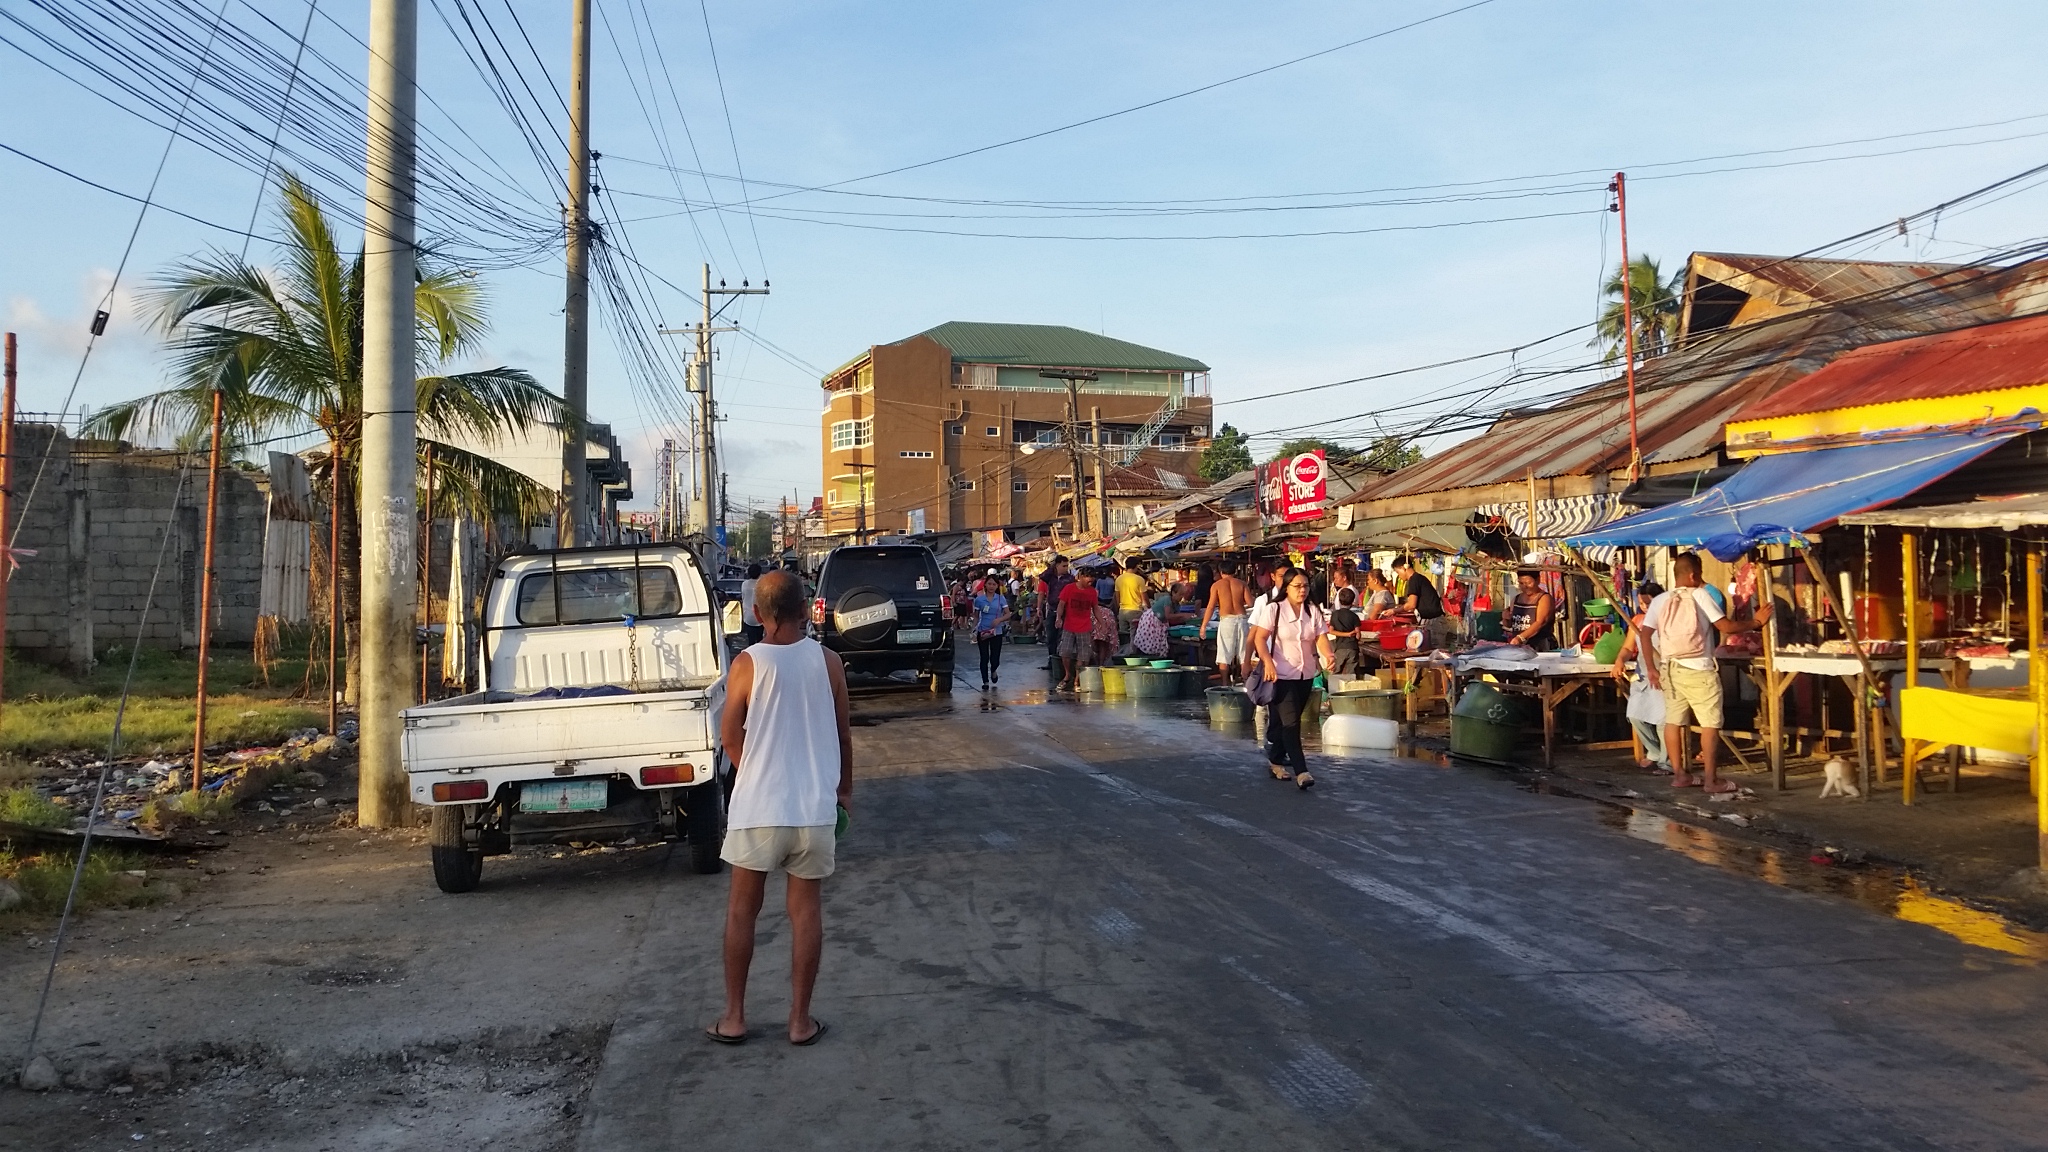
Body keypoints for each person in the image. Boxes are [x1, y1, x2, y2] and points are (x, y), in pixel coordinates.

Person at [709, 570, 853, 1048]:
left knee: (741, 913)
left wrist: (752, 771)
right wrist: (844, 792)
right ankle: (799, 1022)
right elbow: (843, 735)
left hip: (759, 810)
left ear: (758, 614)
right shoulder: (829, 662)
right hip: (814, 808)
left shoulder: (747, 664)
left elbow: (730, 734)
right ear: (805, 610)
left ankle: (733, 1018)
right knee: (805, 912)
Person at [1641, 553, 1770, 795]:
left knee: (1674, 721)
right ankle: (1712, 780)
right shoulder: (1700, 595)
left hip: (1670, 668)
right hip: (1699, 668)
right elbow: (1726, 627)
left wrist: (1651, 667)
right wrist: (1756, 622)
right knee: (1710, 723)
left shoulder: (1660, 600)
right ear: (1692, 575)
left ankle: (1679, 775)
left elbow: (1645, 634)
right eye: (1699, 575)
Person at [1249, 566, 1335, 790]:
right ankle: (1302, 771)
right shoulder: (1274, 609)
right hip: (1279, 674)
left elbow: (1320, 637)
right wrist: (1267, 661)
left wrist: (1329, 654)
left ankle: (1275, 760)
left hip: (1305, 674)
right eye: (1297, 586)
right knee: (1292, 723)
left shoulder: (1312, 611)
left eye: (1306, 586)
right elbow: (1260, 639)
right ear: (1286, 588)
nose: (1302, 590)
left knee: (1282, 721)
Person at [1609, 581, 1669, 773]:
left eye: (1648, 604)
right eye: (1641, 604)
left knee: (1663, 720)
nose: (1644, 608)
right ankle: (1654, 751)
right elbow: (1628, 647)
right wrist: (1619, 661)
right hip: (1643, 674)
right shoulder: (1637, 621)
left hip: (1664, 674)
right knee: (1635, 716)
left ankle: (1666, 761)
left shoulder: (1668, 620)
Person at [1202, 561, 1253, 684]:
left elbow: (1210, 607)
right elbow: (1251, 603)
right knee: (1244, 654)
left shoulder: (1217, 585)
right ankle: (1247, 683)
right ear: (1235, 571)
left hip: (1227, 621)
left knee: (1224, 655)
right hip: (1242, 619)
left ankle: (1225, 684)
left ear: (1221, 572)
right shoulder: (1242, 584)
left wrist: (1203, 626)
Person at [1055, 567, 1098, 691]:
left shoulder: (1092, 592)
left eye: (1092, 580)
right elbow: (1061, 604)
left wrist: (1102, 624)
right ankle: (1067, 675)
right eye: (1088, 579)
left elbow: (1095, 608)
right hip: (1069, 626)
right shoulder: (1069, 588)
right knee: (1065, 652)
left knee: (1083, 656)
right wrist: (1058, 618)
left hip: (1085, 627)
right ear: (1081, 577)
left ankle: (1077, 680)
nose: (1090, 582)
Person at [1393, 555, 1450, 647]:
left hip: (1434, 622)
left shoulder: (1414, 580)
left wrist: (1395, 610)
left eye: (1397, 572)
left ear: (1404, 568)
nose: (1398, 575)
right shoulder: (1418, 579)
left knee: (1435, 654)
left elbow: (1411, 604)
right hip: (1431, 621)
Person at [972, 577, 1011, 691]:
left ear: (997, 586)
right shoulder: (979, 600)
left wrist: (999, 620)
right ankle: (985, 681)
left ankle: (993, 670)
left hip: (996, 632)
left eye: (994, 584)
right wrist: (973, 630)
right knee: (984, 657)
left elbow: (1008, 614)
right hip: (982, 631)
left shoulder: (1000, 599)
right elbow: (975, 616)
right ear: (985, 585)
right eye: (989, 584)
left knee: (995, 658)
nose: (991, 586)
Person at [1504, 568, 1556, 650]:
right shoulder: (1516, 599)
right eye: (1521, 583)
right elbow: (1509, 625)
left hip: (1541, 646)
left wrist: (1520, 638)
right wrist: (1506, 618)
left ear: (1538, 580)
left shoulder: (1544, 598)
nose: (1525, 587)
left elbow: (1540, 622)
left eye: (1529, 583)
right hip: (1519, 647)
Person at [1327, 593, 1363, 678]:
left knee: (1337, 673)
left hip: (1340, 648)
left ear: (1339, 601)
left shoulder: (1335, 614)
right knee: (1352, 674)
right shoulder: (1354, 616)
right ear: (1352, 602)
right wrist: (1351, 635)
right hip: (1352, 647)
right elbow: (1358, 634)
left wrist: (1345, 634)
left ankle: (1336, 689)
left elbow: (1331, 631)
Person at [1115, 562, 1148, 646]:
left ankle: (1124, 654)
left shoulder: (1119, 579)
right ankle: (1134, 654)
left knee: (1124, 636)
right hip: (1135, 610)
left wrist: (1119, 608)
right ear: (1136, 566)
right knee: (1136, 635)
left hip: (1122, 611)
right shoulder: (1139, 579)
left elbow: (1117, 597)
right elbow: (1144, 597)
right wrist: (1149, 609)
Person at [738, 563, 764, 647]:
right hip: (760, 616)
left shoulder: (745, 584)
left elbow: (743, 597)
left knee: (751, 640)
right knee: (760, 639)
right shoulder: (762, 584)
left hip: (748, 617)